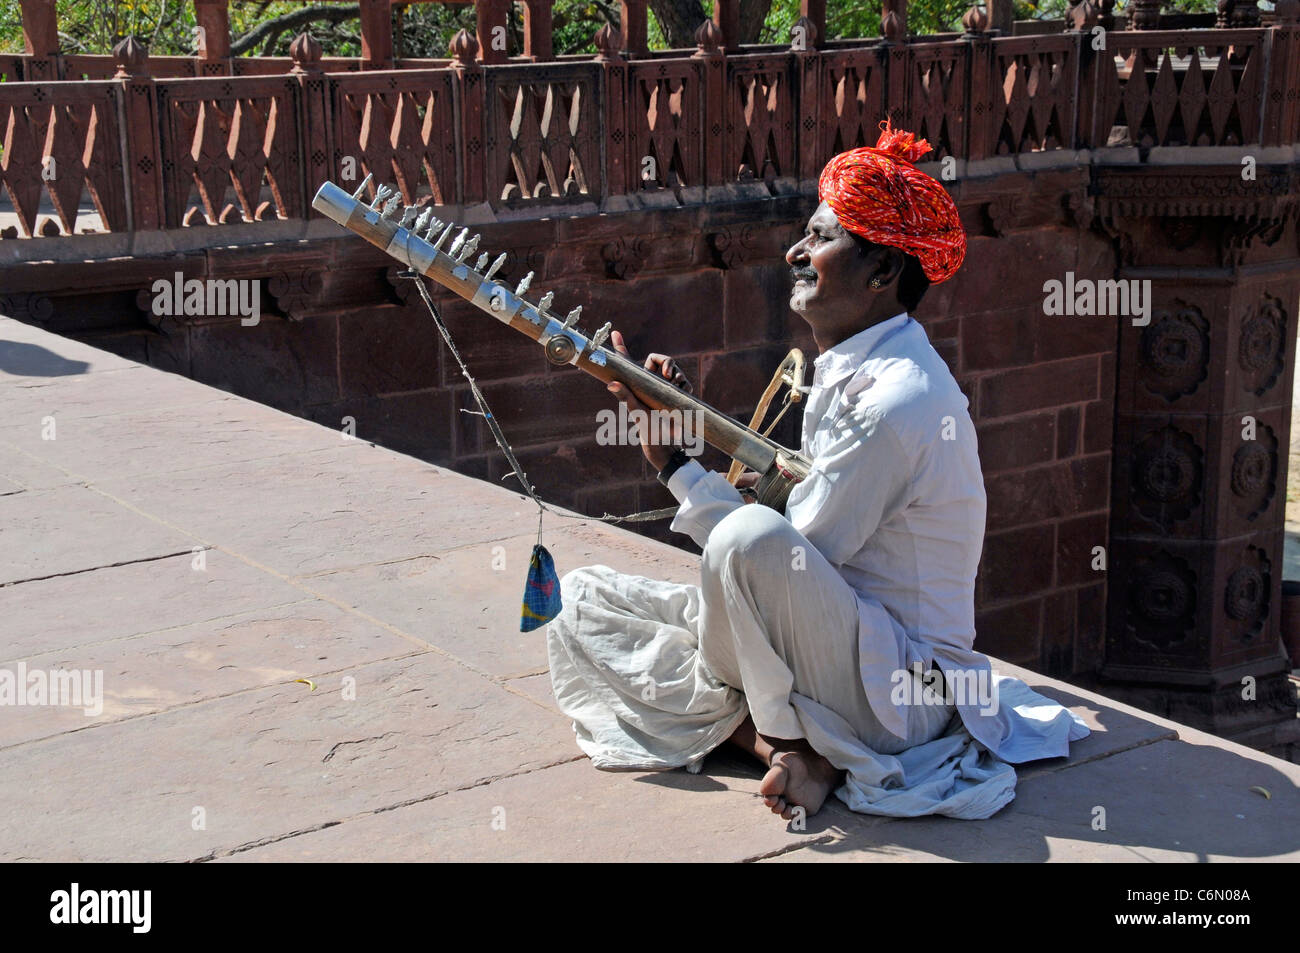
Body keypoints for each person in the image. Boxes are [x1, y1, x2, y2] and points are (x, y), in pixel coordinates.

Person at [546, 120, 1088, 821]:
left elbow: (789, 555)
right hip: (822, 646)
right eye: (805, 232)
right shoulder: (850, 370)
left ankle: (793, 737)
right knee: (579, 600)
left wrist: (679, 465)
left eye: (821, 239)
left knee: (743, 543)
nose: (796, 252)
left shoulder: (899, 398)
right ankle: (789, 750)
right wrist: (673, 453)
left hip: (899, 692)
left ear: (884, 272)